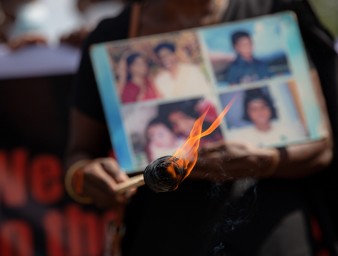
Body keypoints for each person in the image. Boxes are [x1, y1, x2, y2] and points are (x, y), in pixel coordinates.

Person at [65, 0, 338, 255]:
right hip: (163, 239)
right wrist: (87, 176)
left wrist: (266, 161)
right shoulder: (113, 36)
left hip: (272, 239)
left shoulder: (270, 13)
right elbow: (80, 154)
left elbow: (322, 149)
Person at [228, 88, 307, 147]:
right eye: (254, 109)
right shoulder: (241, 138)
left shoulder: (289, 128)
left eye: (263, 107)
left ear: (270, 108)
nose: (260, 112)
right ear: (248, 113)